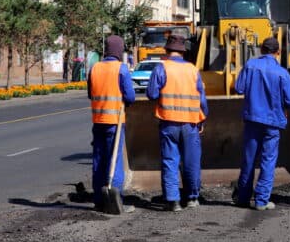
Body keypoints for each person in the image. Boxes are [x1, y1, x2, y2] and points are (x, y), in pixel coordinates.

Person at [233, 37, 290, 211]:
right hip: (273, 122)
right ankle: (261, 201)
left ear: (261, 50)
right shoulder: (282, 73)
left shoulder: (250, 65)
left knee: (248, 159)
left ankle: (243, 197)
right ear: (278, 52)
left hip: (252, 120)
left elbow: (238, 88)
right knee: (268, 160)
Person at [147, 35, 208, 211]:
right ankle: (192, 198)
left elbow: (152, 94)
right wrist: (203, 118)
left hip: (169, 122)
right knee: (191, 161)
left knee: (170, 161)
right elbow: (202, 99)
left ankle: (173, 201)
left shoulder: (161, 68)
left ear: (167, 50)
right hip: (190, 123)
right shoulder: (193, 70)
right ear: (183, 52)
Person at [87, 35, 136, 210]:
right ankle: (116, 198)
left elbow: (91, 94)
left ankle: (99, 199)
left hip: (98, 120)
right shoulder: (121, 69)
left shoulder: (94, 68)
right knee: (114, 160)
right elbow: (130, 96)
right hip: (115, 121)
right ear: (119, 51)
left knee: (99, 159)